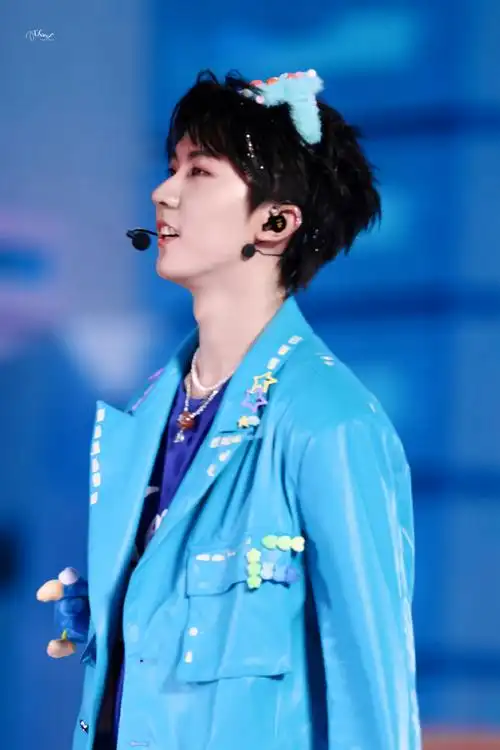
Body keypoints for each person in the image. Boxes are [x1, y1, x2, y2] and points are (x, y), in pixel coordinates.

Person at [38, 69, 421, 750]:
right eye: (172, 167)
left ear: (274, 222)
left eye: (200, 172)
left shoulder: (330, 423)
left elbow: (372, 691)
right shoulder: (149, 414)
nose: (163, 192)